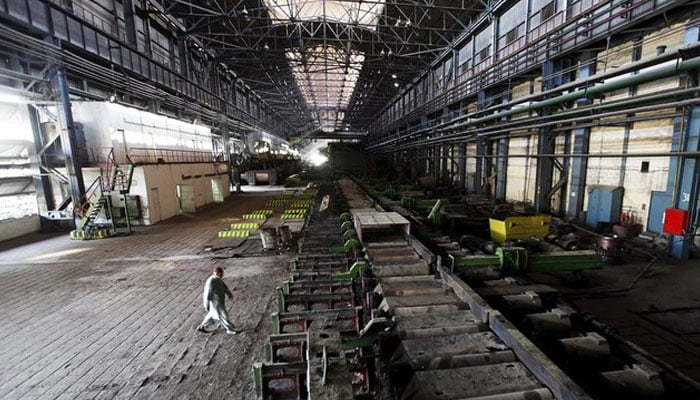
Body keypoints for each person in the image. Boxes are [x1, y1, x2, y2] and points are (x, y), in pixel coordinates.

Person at [196, 267, 238, 335]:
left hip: (220, 301)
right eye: (220, 274)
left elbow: (224, 287)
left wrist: (229, 294)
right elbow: (207, 294)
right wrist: (206, 305)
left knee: (211, 315)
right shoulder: (211, 281)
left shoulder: (219, 279)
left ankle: (202, 326)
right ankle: (229, 329)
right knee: (223, 315)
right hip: (215, 303)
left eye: (222, 274)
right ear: (215, 273)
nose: (221, 276)